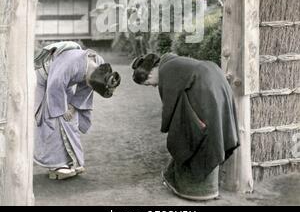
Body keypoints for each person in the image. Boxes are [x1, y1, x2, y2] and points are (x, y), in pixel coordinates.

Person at [131, 52, 239, 201]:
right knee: (214, 131)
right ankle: (209, 189)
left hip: (205, 88)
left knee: (188, 135)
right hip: (217, 83)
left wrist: (169, 127)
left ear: (149, 76)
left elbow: (170, 108)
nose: (154, 86)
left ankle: (195, 191)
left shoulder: (166, 70)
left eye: (149, 84)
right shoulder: (169, 61)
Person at [34, 41, 121, 180]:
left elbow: (87, 88)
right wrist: (63, 110)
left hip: (63, 82)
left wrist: (73, 106)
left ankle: (71, 161)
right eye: (88, 82)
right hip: (45, 79)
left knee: (71, 120)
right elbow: (54, 86)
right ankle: (55, 166)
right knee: (53, 119)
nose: (86, 84)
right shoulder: (71, 62)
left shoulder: (99, 64)